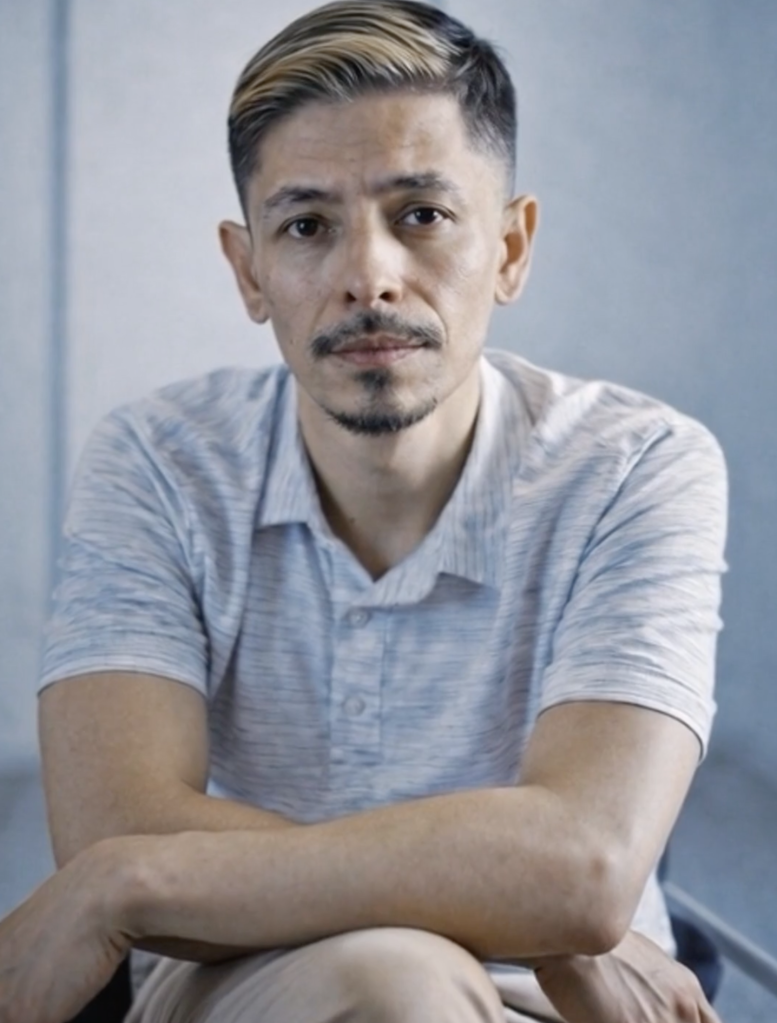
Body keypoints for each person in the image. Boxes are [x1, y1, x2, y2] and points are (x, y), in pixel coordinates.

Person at [0, 2, 727, 1021]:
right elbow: (114, 821)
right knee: (392, 983)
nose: (369, 277)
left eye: (421, 215)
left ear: (512, 248)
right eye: (306, 227)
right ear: (249, 270)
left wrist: (131, 881)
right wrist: (525, 900)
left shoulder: (636, 465)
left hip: (563, 1000)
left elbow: (588, 863)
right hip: (244, 977)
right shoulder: (158, 460)